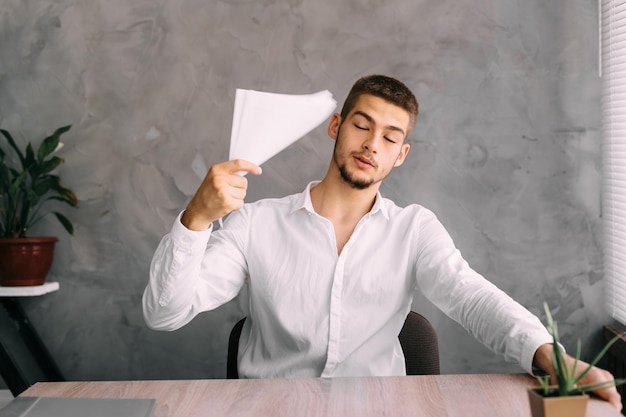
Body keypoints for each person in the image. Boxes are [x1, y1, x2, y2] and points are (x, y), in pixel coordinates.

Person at [143, 75, 621, 409]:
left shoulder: (413, 228)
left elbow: (470, 295)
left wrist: (553, 359)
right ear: (336, 127)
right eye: (362, 124)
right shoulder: (254, 223)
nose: (372, 143)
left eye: (390, 137)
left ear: (401, 155)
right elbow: (164, 313)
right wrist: (197, 219)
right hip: (271, 408)